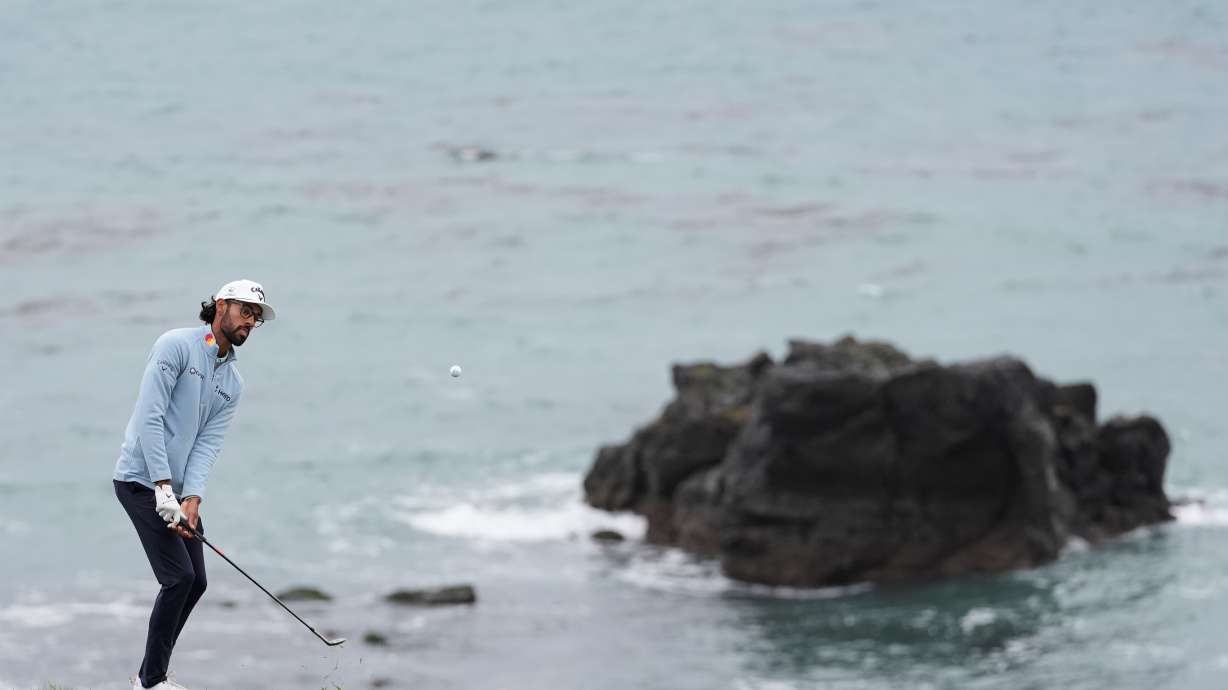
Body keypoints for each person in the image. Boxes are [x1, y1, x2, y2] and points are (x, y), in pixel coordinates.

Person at [112, 279, 276, 690]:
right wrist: (162, 487)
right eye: (245, 311)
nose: (251, 322)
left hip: (177, 492)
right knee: (178, 578)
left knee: (197, 581)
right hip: (138, 480)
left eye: (256, 317)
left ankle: (148, 676)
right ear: (220, 306)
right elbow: (150, 416)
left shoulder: (233, 383)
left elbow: (206, 444)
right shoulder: (175, 346)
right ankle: (151, 682)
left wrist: (192, 500)